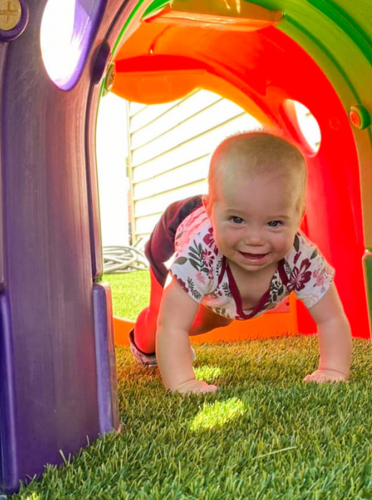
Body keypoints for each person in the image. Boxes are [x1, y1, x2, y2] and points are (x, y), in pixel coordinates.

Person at [128, 131, 352, 395]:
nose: (255, 239)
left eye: (274, 223)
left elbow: (331, 319)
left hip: (219, 269)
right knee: (167, 321)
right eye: (237, 220)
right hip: (176, 227)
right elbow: (172, 325)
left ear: (299, 217)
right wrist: (184, 383)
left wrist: (333, 370)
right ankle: (142, 342)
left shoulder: (301, 257)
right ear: (210, 210)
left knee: (219, 319)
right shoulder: (199, 252)